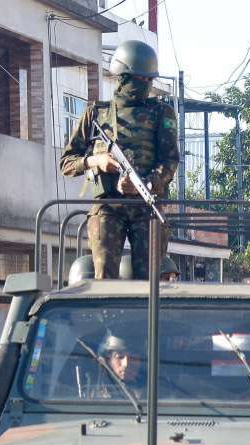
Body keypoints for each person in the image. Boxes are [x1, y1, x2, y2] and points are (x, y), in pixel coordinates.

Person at [59, 40, 179, 280]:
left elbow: (170, 160)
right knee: (105, 277)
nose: (146, 84)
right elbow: (67, 162)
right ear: (123, 77)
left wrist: (147, 182)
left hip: (147, 206)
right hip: (108, 207)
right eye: (140, 79)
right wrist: (97, 161)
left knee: (151, 280)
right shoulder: (96, 113)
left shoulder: (161, 113)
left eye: (149, 80)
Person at [92, 332, 145, 399]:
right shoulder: (90, 397)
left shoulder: (157, 395)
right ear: (108, 360)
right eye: (119, 357)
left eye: (133, 358)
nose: (125, 364)